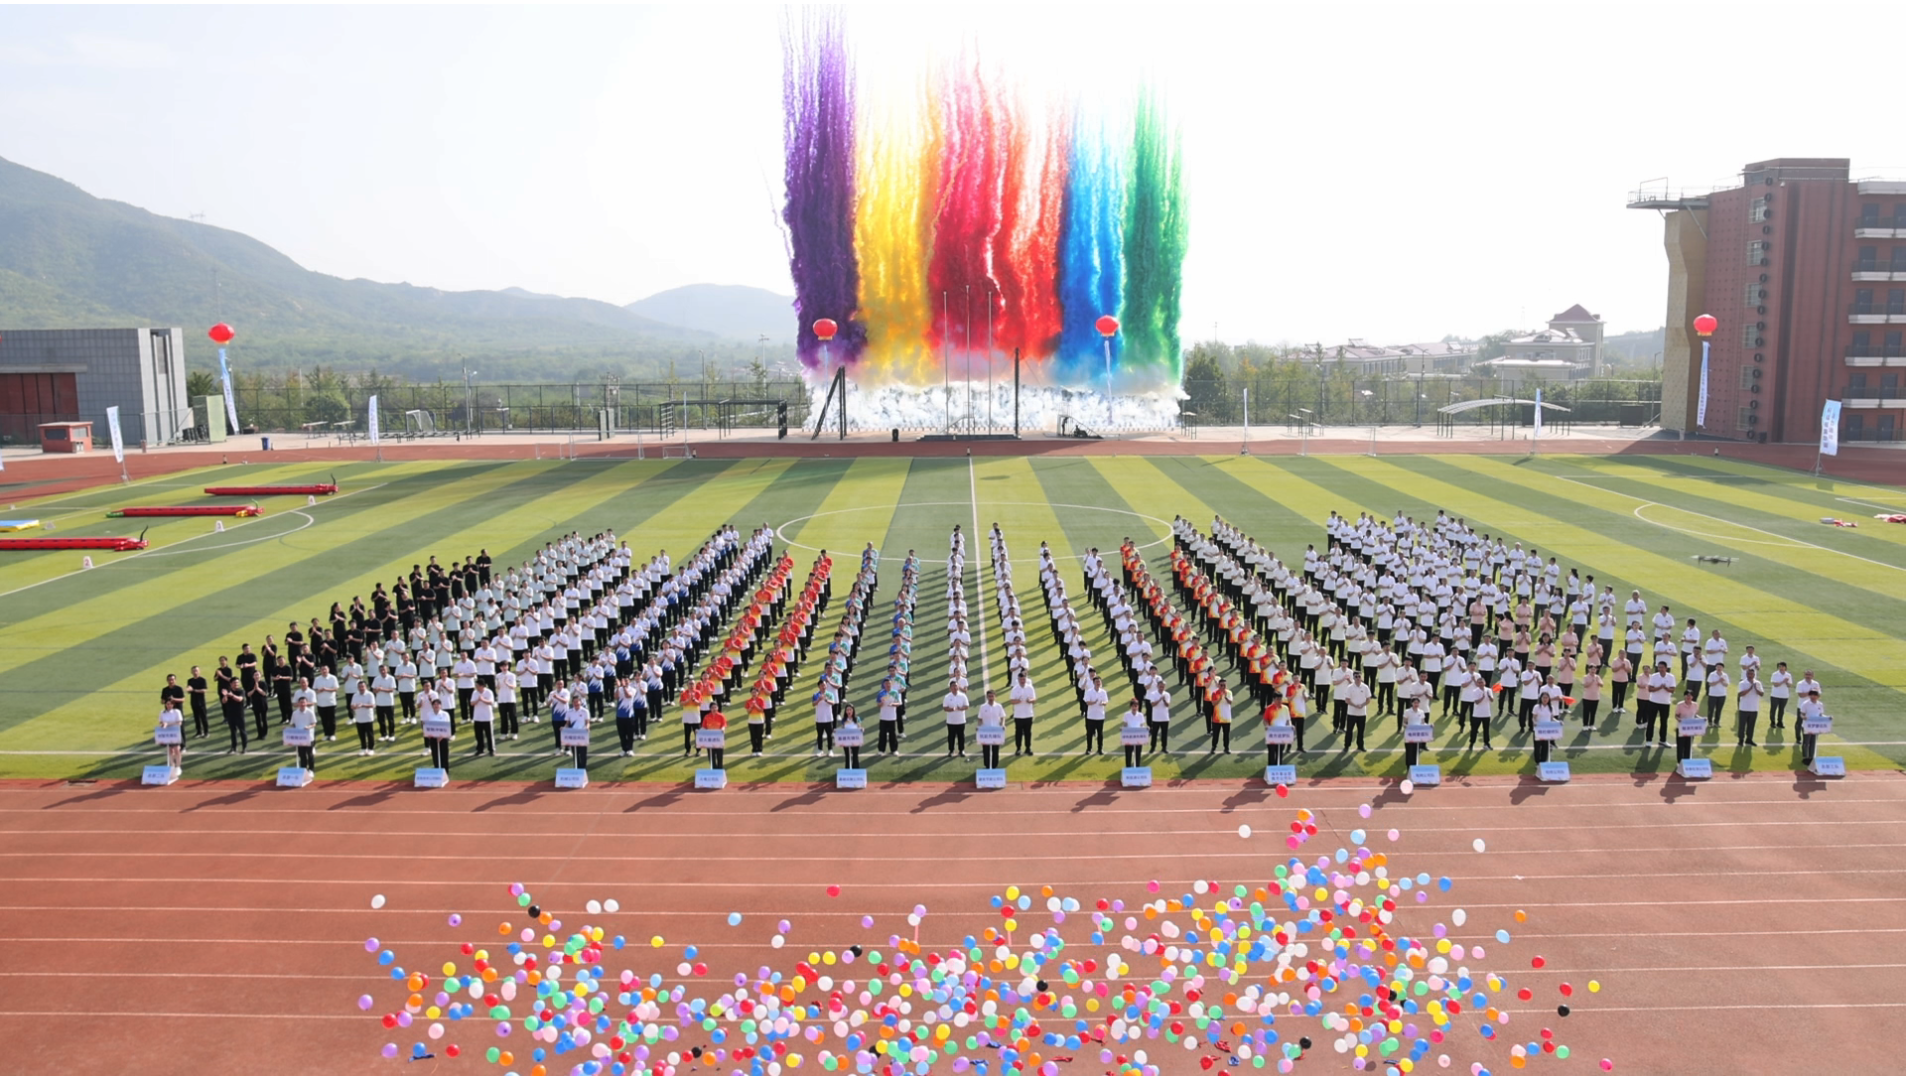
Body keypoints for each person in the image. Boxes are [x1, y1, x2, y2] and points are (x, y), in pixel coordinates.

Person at [1341, 671, 1372, 753]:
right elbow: (1347, 700)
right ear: (1353, 678)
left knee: (1361, 731)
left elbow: (1368, 699)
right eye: (1356, 677)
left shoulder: (1365, 687)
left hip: (1362, 714)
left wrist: (1362, 705)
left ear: (1361, 677)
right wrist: (1355, 705)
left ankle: (1360, 746)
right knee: (1349, 731)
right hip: (1351, 713)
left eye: (1359, 676)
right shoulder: (1350, 687)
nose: (1358, 678)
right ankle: (1346, 746)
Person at [1010, 672, 1037, 757]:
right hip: (1018, 715)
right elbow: (1012, 701)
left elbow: (1034, 699)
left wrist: (1030, 701)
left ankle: (1028, 748)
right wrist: (1018, 701)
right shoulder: (1015, 689)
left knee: (1028, 732)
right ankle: (1018, 748)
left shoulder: (1030, 688)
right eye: (1021, 679)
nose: (1022, 681)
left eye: (1023, 679)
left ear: (1026, 679)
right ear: (1018, 680)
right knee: (1018, 733)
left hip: (1028, 714)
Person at [287, 695, 317, 773]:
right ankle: (303, 770)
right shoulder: (295, 713)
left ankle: (311, 769)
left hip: (309, 737)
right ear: (298, 703)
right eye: (301, 702)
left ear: (306, 703)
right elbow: (293, 724)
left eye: (304, 702)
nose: (302, 704)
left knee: (309, 754)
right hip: (300, 737)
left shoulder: (310, 712)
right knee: (302, 755)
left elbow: (314, 723)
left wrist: (309, 727)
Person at [940, 680, 969, 759]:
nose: (955, 687)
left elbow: (967, 706)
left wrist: (961, 708)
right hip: (951, 721)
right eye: (953, 686)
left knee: (961, 736)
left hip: (961, 720)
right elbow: (945, 708)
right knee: (951, 736)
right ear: (950, 688)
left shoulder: (963, 696)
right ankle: (951, 750)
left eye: (956, 686)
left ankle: (961, 750)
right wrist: (952, 709)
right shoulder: (947, 697)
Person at [1082, 673, 1109, 755]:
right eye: (1097, 682)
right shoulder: (1089, 692)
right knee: (1089, 733)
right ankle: (1089, 749)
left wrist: (1103, 703)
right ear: (1093, 683)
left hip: (1100, 716)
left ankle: (1100, 749)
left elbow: (1106, 701)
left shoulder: (1103, 692)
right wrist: (1094, 702)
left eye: (1099, 682)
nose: (1098, 683)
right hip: (1091, 716)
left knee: (1100, 733)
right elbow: (1087, 702)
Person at [1736, 669, 1764, 748]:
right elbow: (1741, 694)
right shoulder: (1742, 683)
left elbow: (1761, 694)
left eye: (1752, 674)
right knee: (1742, 725)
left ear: (1754, 675)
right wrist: (1750, 688)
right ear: (1746, 674)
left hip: (1754, 708)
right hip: (1744, 708)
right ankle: (1741, 740)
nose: (1750, 675)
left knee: (1751, 725)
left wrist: (1756, 689)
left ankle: (1749, 739)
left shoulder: (1758, 683)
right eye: (1749, 674)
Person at [220, 679, 249, 754]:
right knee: (233, 731)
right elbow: (224, 701)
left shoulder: (241, 691)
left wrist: (231, 695)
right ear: (231, 684)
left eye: (237, 682)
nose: (236, 684)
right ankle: (234, 747)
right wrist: (225, 695)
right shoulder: (228, 692)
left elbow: (239, 699)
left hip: (239, 714)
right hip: (230, 714)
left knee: (242, 731)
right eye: (234, 682)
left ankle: (244, 747)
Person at [312, 666, 340, 741]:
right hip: (321, 703)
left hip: (331, 702)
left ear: (328, 670)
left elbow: (336, 688)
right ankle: (326, 734)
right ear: (320, 671)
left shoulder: (333, 678)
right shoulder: (317, 679)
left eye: (325, 669)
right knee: (324, 720)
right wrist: (319, 691)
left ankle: (332, 734)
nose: (324, 671)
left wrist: (326, 689)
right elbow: (314, 690)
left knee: (331, 719)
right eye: (322, 669)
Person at [157, 698, 185, 771]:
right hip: (167, 733)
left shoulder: (177, 712)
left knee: (177, 750)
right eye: (167, 704)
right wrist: (163, 724)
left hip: (175, 732)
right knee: (170, 750)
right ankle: (172, 765)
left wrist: (168, 724)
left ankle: (178, 766)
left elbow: (179, 723)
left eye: (170, 704)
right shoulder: (162, 712)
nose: (169, 705)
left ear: (173, 705)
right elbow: (161, 722)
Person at [351, 682, 378, 756]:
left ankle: (371, 749)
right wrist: (355, 706)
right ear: (358, 688)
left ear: (366, 687)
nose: (361, 688)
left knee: (370, 734)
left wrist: (363, 705)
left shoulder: (370, 694)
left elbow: (373, 705)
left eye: (363, 686)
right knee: (361, 735)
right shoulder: (355, 695)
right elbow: (352, 706)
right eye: (360, 687)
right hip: (359, 718)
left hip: (368, 718)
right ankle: (363, 748)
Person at [1673, 689, 1700, 762]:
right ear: (1684, 696)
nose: (1688, 697)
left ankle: (1687, 761)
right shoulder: (1680, 705)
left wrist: (1701, 719)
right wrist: (1679, 720)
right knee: (1680, 746)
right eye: (1687, 695)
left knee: (1688, 746)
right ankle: (1679, 762)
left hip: (1690, 728)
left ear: (1692, 697)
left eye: (1690, 695)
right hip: (1681, 728)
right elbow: (1676, 715)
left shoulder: (1695, 705)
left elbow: (1695, 715)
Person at [1121, 697, 1148, 769]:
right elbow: (1125, 725)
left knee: (1138, 753)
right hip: (1129, 737)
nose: (1134, 708)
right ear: (1130, 706)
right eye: (1133, 706)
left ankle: (1137, 768)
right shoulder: (1126, 714)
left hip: (1138, 737)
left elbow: (1141, 725)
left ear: (1138, 707)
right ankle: (1128, 768)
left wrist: (1145, 729)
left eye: (1136, 706)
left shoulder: (1140, 715)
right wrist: (1122, 729)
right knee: (1128, 753)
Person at [470, 682, 495, 758]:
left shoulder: (489, 692)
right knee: (478, 735)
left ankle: (491, 750)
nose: (476, 687)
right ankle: (480, 749)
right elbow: (472, 703)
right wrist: (478, 700)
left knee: (489, 735)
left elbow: (491, 702)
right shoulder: (475, 693)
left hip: (487, 717)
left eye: (477, 686)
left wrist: (483, 699)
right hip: (477, 717)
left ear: (482, 686)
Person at [1767, 661, 1793, 732]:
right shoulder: (1775, 674)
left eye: (1782, 666)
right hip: (1775, 695)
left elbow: (1790, 685)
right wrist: (1783, 681)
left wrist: (1786, 682)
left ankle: (1780, 722)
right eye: (1780, 666)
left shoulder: (1788, 675)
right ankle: (1772, 722)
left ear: (1785, 667)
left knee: (1781, 710)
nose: (1781, 668)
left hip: (1784, 695)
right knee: (1773, 709)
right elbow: (1775, 684)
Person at [186, 666, 210, 739]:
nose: (195, 672)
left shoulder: (202, 680)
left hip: (201, 702)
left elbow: (204, 690)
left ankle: (206, 732)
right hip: (193, 701)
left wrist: (193, 690)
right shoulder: (190, 680)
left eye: (196, 670)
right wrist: (188, 689)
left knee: (203, 717)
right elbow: (189, 690)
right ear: (191, 672)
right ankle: (199, 732)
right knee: (196, 718)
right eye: (193, 671)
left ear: (199, 671)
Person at [700, 703, 726, 771]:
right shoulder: (707, 717)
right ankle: (713, 769)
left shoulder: (721, 716)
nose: (714, 709)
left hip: (718, 739)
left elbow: (723, 725)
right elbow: (704, 727)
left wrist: (723, 729)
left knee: (719, 755)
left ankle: (720, 769)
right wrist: (699, 732)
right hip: (710, 739)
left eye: (715, 707)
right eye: (712, 708)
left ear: (717, 708)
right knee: (711, 756)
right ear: (710, 709)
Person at [837, 704, 863, 770]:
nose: (849, 711)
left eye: (850, 710)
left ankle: (856, 770)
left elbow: (860, 727)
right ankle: (847, 770)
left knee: (855, 755)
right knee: (847, 756)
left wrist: (861, 729)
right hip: (846, 740)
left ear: (853, 710)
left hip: (855, 739)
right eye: (847, 710)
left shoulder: (857, 718)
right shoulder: (844, 719)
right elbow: (843, 728)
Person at [1210, 685, 1234, 753]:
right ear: (1219, 686)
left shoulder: (1229, 692)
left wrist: (1225, 697)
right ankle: (1213, 747)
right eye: (1221, 685)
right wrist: (1220, 698)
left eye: (1224, 685)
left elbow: (1230, 702)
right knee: (1215, 735)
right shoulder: (1214, 693)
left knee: (1226, 735)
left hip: (1226, 718)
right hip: (1217, 718)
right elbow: (1213, 703)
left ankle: (1226, 748)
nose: (1223, 687)